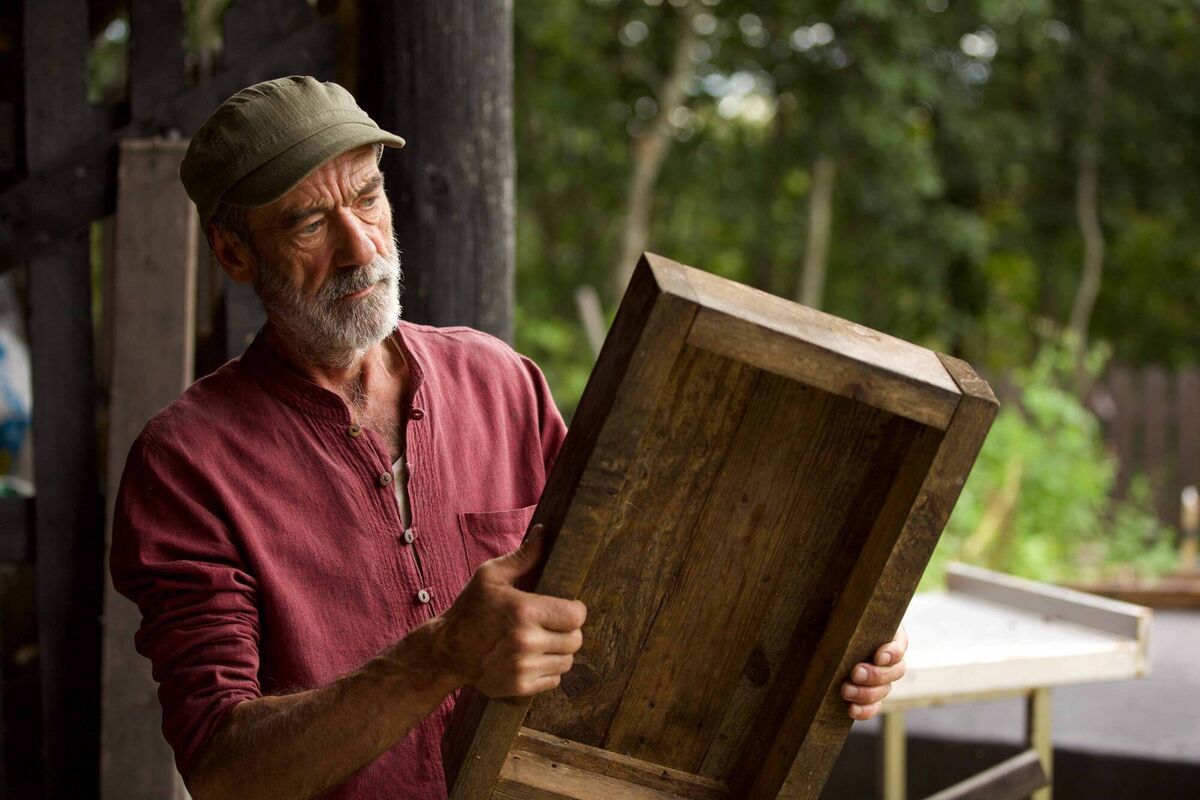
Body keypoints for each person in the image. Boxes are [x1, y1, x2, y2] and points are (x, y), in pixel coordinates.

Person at [110, 76, 908, 800]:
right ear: (234, 253)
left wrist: (820, 636)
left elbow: (641, 592)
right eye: (310, 223)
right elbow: (224, 771)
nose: (361, 247)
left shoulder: (500, 381)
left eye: (368, 197)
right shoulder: (186, 464)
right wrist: (441, 655)